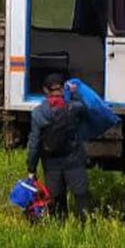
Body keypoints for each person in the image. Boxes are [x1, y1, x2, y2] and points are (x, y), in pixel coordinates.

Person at [26, 73, 90, 220]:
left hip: (51, 163)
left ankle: (60, 230)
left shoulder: (38, 114)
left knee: (56, 200)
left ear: (45, 90)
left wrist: (31, 168)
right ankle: (87, 230)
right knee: (81, 197)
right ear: (63, 89)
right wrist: (74, 94)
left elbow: (34, 144)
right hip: (74, 160)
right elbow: (85, 109)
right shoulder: (74, 108)